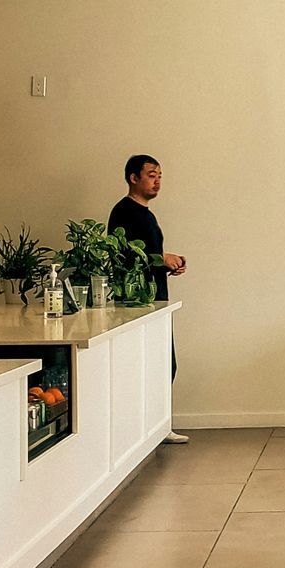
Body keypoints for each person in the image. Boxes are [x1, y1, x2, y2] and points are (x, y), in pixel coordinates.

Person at [110, 154, 189, 443]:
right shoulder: (124, 212)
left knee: (164, 363)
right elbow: (125, 256)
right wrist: (161, 258)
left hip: (155, 298)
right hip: (139, 302)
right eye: (151, 174)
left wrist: (168, 262)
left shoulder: (146, 214)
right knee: (153, 363)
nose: (157, 181)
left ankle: (157, 427)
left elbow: (147, 256)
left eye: (159, 175)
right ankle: (147, 430)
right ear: (134, 177)